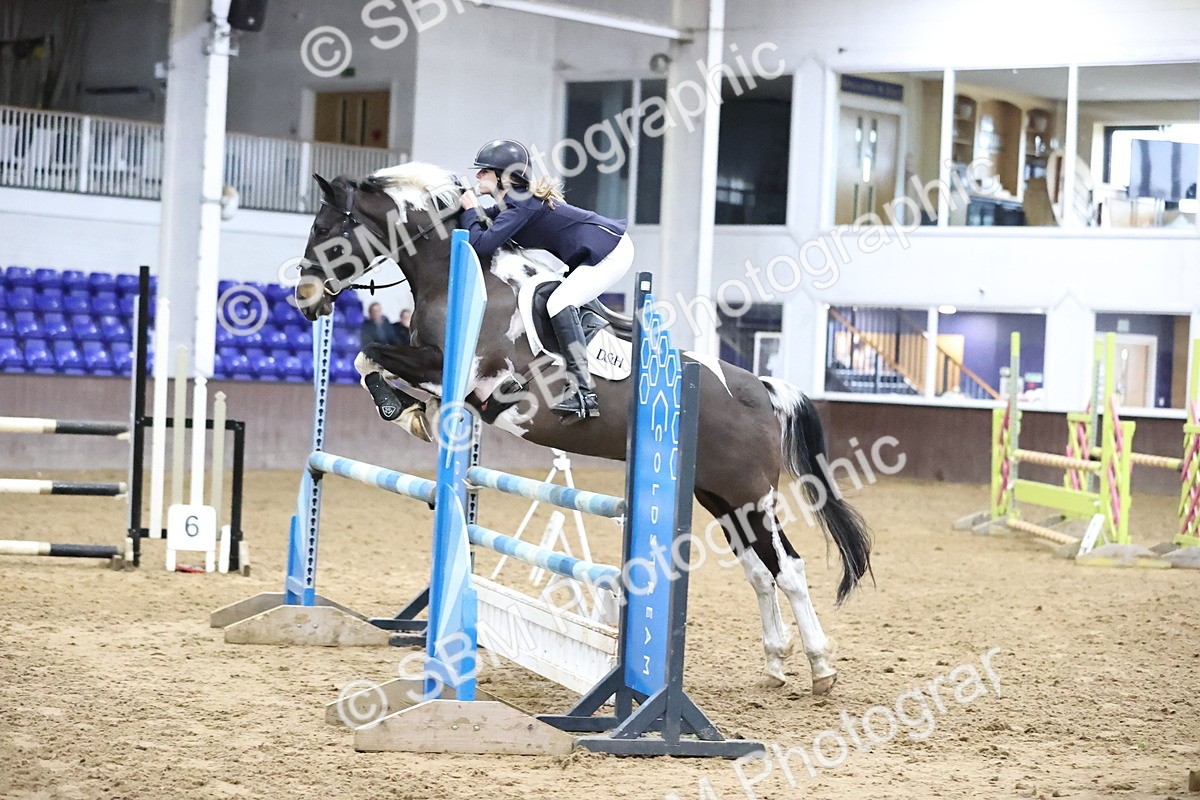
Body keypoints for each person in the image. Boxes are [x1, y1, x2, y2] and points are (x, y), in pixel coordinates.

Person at [459, 138, 634, 421]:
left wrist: (469, 210)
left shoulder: (521, 205)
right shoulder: (512, 204)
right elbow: (481, 221)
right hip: (595, 252)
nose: (477, 175)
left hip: (611, 251)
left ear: (504, 176)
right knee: (560, 300)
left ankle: (583, 393)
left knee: (559, 302)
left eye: (484, 171)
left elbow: (481, 243)